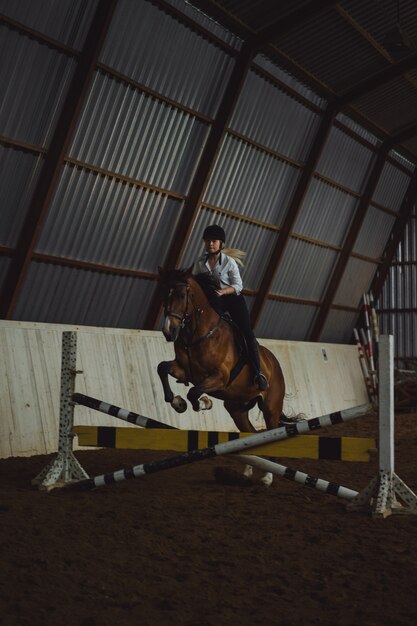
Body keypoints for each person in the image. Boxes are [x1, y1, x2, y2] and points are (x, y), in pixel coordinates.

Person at [193, 224, 268, 391]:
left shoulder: (229, 262)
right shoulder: (200, 263)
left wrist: (222, 292)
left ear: (221, 244)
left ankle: (258, 372)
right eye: (207, 241)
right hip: (216, 300)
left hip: (233, 299)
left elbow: (238, 286)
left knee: (247, 333)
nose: (210, 244)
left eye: (214, 241)